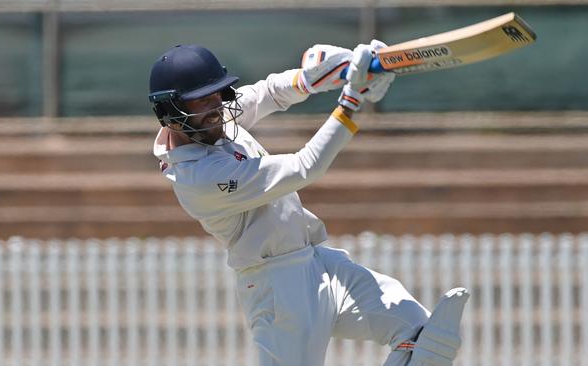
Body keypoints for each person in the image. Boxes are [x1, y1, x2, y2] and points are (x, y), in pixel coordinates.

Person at [148, 42, 469, 366]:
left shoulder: (209, 121)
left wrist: (316, 76)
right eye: (204, 99)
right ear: (171, 112)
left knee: (422, 336)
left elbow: (270, 92)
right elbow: (306, 166)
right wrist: (351, 100)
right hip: (276, 289)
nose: (217, 105)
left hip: (318, 264)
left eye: (218, 94)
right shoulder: (200, 177)